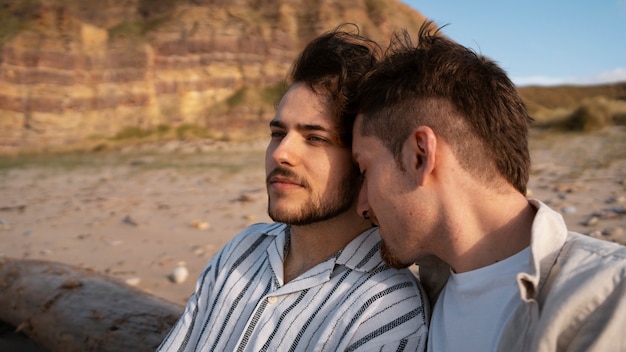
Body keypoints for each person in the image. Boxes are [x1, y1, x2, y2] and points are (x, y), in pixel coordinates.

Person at [352, 21, 626, 352]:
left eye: (364, 170)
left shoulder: (609, 298)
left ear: (420, 155)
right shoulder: (417, 300)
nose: (362, 205)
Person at [156, 26, 428, 352]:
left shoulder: (385, 309)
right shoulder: (241, 251)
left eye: (315, 138)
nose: (281, 153)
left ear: (363, 158)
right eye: (277, 133)